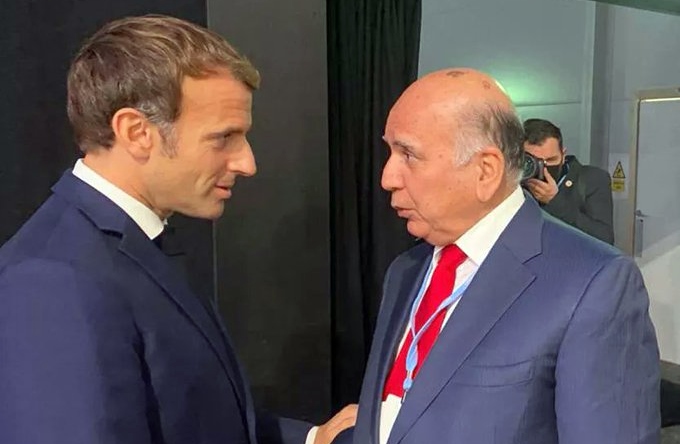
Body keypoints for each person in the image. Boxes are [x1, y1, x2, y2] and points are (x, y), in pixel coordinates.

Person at [0, 15, 355, 444]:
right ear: (137, 132)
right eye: (223, 138)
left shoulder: (134, 243)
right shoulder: (54, 279)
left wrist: (314, 438)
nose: (247, 163)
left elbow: (194, 417)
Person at [347, 68, 659, 444]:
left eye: (408, 154)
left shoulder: (593, 285)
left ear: (486, 171)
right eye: (390, 151)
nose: (387, 177)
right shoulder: (405, 271)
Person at [522, 118, 614, 244]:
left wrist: (555, 201)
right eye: (535, 162)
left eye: (551, 160)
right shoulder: (512, 184)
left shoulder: (591, 179)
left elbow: (604, 238)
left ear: (563, 155)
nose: (543, 168)